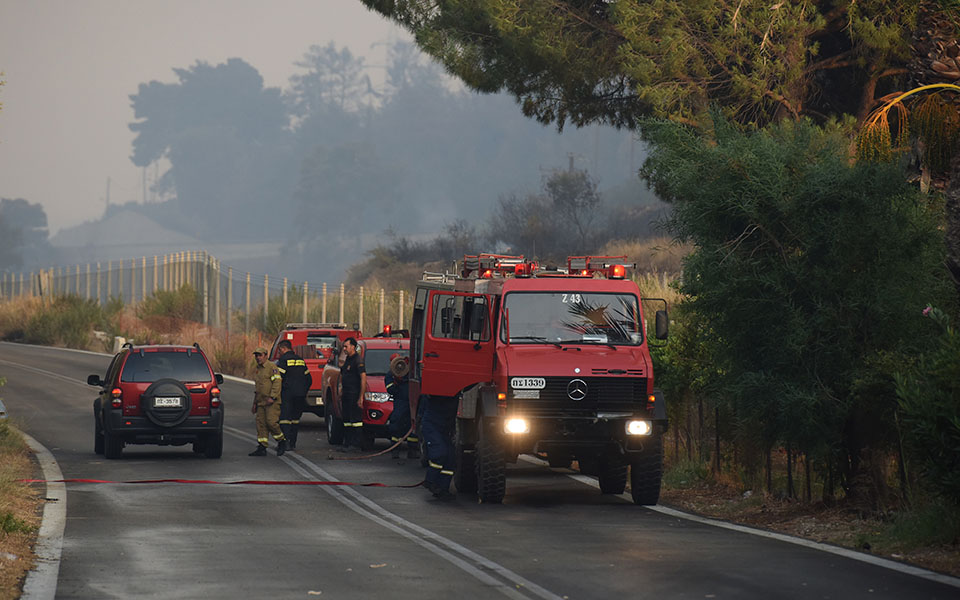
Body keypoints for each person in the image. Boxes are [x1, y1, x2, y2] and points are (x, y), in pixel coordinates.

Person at [249, 346, 287, 457]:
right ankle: (262, 446)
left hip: (271, 402)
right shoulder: (258, 369)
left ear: (265, 355)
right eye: (256, 355)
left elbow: (277, 383)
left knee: (271, 423)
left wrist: (273, 397)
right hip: (261, 401)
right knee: (261, 425)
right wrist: (254, 403)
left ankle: (281, 441)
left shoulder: (272, 367)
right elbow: (258, 388)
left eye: (260, 355)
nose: (258, 358)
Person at [275, 339, 311, 450]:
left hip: (287, 394)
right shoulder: (301, 360)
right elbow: (309, 379)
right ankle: (292, 443)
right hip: (300, 395)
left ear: (283, 348)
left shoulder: (283, 360)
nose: (279, 353)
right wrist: (303, 392)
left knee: (284, 419)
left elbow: (278, 378)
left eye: (279, 350)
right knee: (295, 419)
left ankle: (285, 443)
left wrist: (276, 393)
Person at [421, 394, 457, 499]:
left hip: (445, 428)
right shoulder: (433, 389)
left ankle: (442, 488)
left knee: (450, 458)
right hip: (432, 426)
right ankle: (430, 481)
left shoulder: (456, 387)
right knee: (439, 453)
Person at [385, 354, 419, 460]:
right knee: (397, 426)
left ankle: (413, 451)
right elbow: (390, 389)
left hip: (411, 402)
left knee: (412, 426)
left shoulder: (410, 373)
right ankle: (395, 450)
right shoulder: (390, 375)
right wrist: (397, 382)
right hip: (400, 403)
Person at [338, 337, 366, 451]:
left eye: (346, 346)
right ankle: (347, 443)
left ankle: (356, 444)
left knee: (356, 421)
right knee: (347, 420)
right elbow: (342, 374)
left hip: (354, 394)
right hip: (346, 394)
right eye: (344, 346)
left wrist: (360, 397)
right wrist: (340, 388)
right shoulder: (348, 360)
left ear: (353, 347)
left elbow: (363, 378)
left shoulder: (358, 360)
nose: (344, 349)